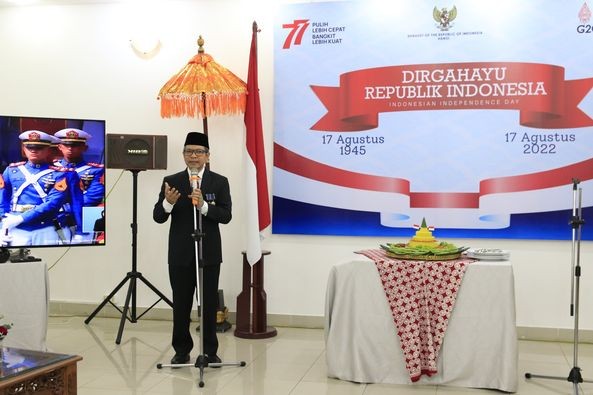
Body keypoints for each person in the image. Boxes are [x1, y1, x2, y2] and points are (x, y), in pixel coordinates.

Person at [153, 132, 232, 366]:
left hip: (208, 252)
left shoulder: (219, 182)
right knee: (181, 303)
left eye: (199, 152)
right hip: (179, 253)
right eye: (189, 151)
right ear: (183, 155)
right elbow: (158, 216)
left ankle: (209, 351)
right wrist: (168, 202)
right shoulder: (172, 180)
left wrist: (205, 206)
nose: (194, 156)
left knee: (208, 304)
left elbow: (226, 216)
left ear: (207, 156)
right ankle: (181, 349)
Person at [0, 130, 75, 246]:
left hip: (46, 227)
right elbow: (1, 201)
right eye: (29, 147)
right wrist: (1, 227)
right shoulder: (11, 171)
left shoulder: (59, 174)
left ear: (48, 150)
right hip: (16, 228)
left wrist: (21, 218)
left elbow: (53, 203)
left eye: (39, 147)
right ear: (24, 149)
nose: (33, 150)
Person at [54, 128, 105, 241]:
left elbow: (93, 197)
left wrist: (63, 207)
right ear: (60, 147)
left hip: (85, 217)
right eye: (66, 145)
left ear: (84, 148)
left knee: (84, 253)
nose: (70, 148)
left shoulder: (96, 170)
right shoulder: (51, 169)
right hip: (57, 219)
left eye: (75, 145)